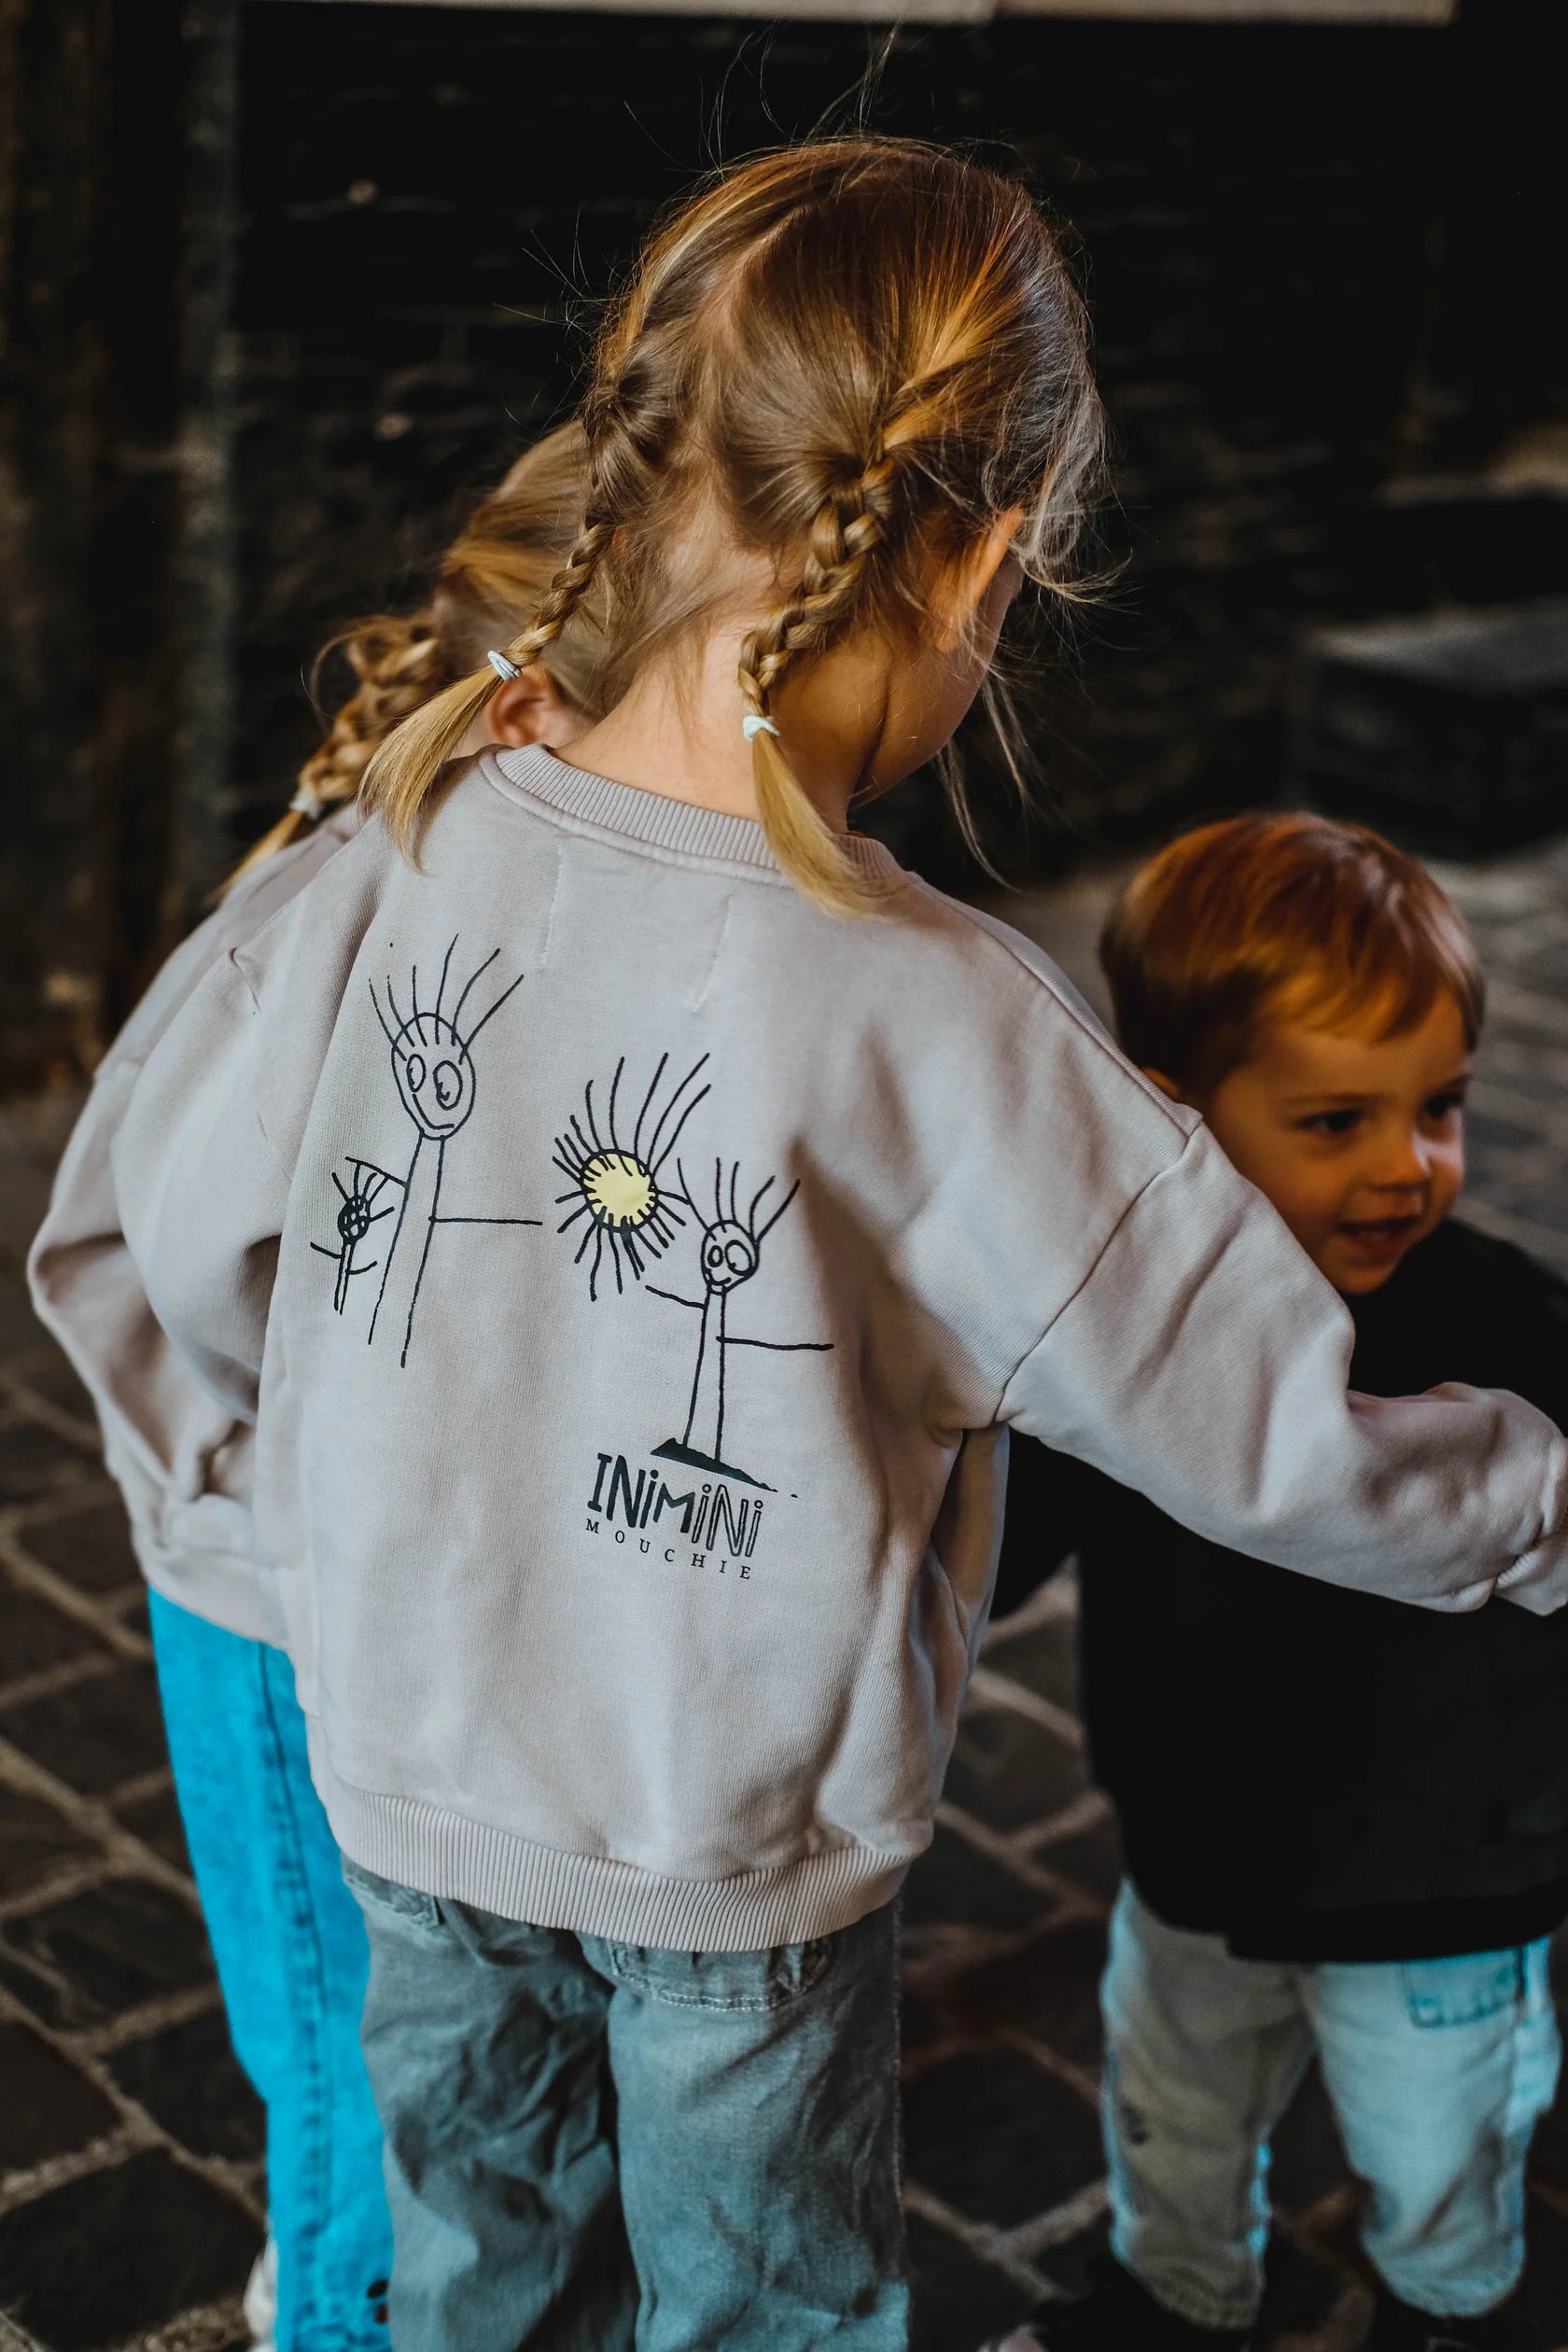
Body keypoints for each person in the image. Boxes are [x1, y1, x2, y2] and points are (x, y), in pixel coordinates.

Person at [104, 138, 1568, 2352]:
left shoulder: (407, 832)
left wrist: (326, 1498)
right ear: (982, 553)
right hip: (738, 1864)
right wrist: (1532, 1501)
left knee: (481, 2286)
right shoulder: (945, 1015)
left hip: (403, 1787)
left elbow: (162, 1221)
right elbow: (1274, 1436)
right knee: (761, 2315)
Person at [28, 421, 600, 2352]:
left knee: (432, 2038)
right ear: (539, 708)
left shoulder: (548, 886)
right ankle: (339, 2308)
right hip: (280, 1594)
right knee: (348, 2040)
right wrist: (333, 1458)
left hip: (406, 1592)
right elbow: (155, 1249)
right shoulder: (358, 914)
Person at [987, 815, 1568, 2352]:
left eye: (1438, 1107)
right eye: (1335, 1121)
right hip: (1202, 1849)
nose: (1405, 1165)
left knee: (1439, 2150)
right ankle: (1179, 2293)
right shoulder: (1124, 1349)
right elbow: (999, 1553)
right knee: (1174, 2107)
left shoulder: (1520, 1333)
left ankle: (1448, 2308)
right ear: (1174, 1116)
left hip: (1442, 1886)